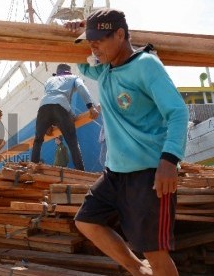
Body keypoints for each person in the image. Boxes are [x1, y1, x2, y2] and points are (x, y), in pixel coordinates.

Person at [67, 8, 189, 275]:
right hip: (115, 173)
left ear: (120, 34)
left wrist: (169, 160)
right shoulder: (106, 71)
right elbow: (80, 60)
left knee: (155, 253)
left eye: (99, 40)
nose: (93, 47)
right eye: (91, 41)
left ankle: (147, 268)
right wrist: (80, 30)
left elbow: (178, 112)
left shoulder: (146, 65)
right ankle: (138, 270)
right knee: (86, 222)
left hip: (148, 174)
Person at [31, 63, 99, 170]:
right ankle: (81, 173)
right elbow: (81, 87)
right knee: (72, 143)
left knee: (38, 141)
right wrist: (91, 107)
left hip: (43, 108)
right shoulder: (73, 78)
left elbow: (49, 101)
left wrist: (47, 126)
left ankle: (32, 168)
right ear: (69, 72)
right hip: (61, 107)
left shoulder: (49, 80)